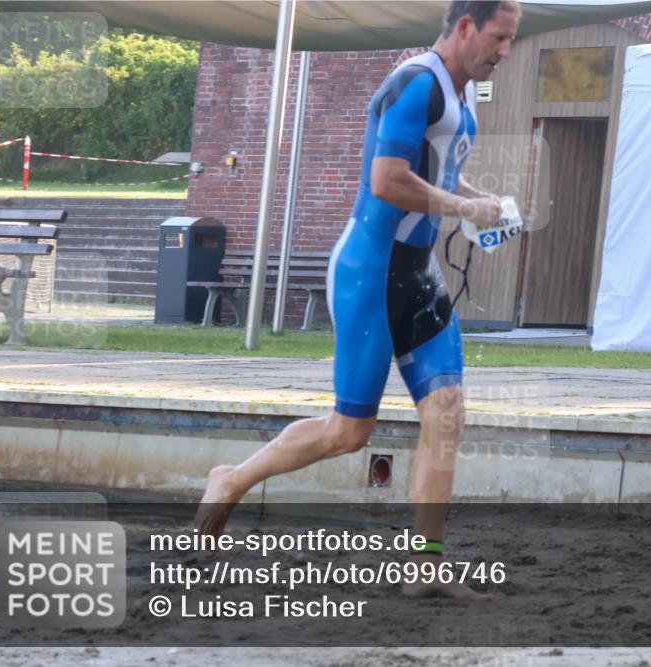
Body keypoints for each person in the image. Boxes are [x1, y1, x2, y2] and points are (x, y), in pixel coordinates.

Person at [196, 0, 521, 601]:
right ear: (467, 27)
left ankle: (424, 565)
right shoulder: (414, 84)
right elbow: (386, 180)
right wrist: (462, 209)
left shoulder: (463, 89)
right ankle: (230, 479)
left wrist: (484, 201)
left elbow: (439, 174)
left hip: (420, 272)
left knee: (446, 415)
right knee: (349, 433)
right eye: (499, 38)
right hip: (369, 271)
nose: (505, 51)